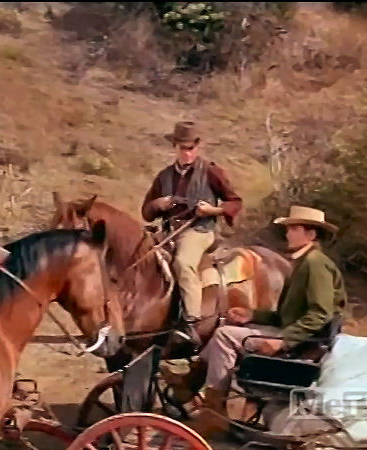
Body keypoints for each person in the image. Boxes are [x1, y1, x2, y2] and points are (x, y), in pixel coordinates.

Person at [165, 206, 347, 432]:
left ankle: (212, 409)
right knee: (226, 326)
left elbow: (320, 314)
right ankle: (191, 383)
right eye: (289, 229)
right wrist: (252, 314)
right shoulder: (303, 262)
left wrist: (284, 341)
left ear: (311, 234)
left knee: (224, 336)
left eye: (294, 229)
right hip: (293, 334)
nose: (288, 233)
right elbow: (286, 316)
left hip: (303, 343)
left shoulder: (315, 264)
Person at [141, 121, 243, 325]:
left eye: (191, 148)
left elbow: (235, 202)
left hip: (199, 230)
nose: (187, 153)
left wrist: (213, 210)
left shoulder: (211, 171)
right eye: (183, 148)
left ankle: (192, 319)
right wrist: (158, 204)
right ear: (175, 147)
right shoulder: (164, 176)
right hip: (169, 231)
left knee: (183, 262)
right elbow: (146, 212)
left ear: (197, 147)